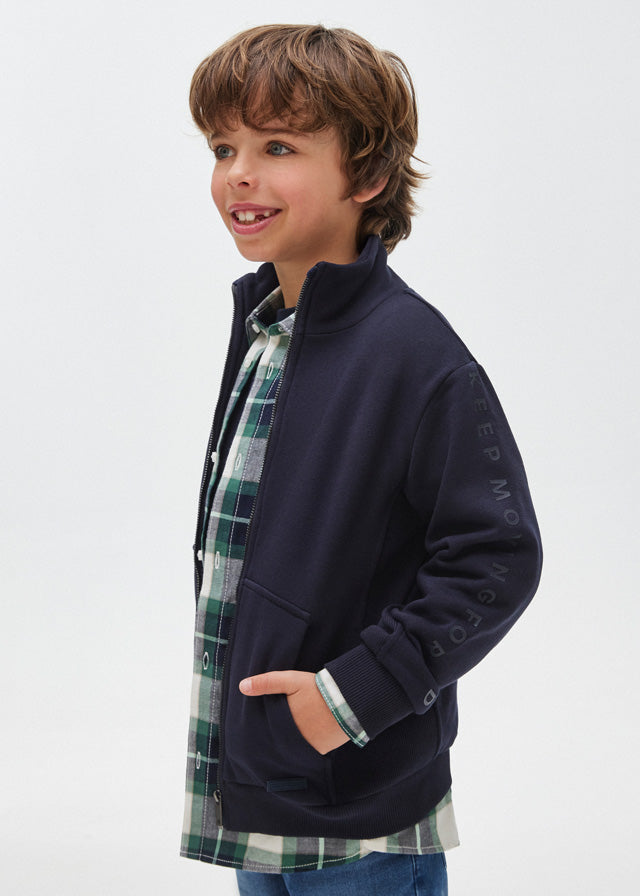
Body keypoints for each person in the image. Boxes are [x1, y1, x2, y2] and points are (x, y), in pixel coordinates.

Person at [180, 24, 542, 896]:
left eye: (277, 147)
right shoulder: (269, 333)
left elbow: (497, 556)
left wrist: (349, 699)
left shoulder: (414, 354)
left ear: (369, 174)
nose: (238, 174)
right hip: (266, 792)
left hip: (360, 814)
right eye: (223, 148)